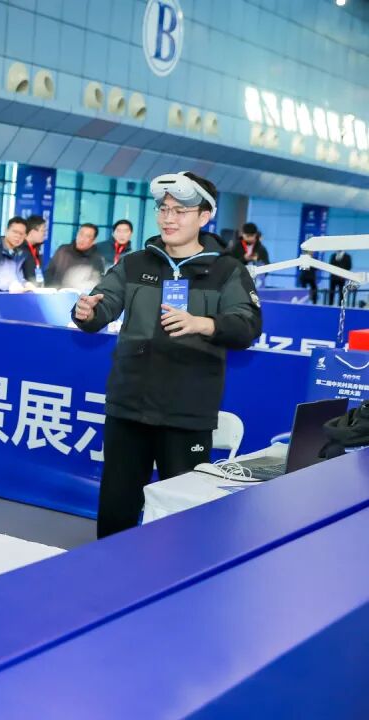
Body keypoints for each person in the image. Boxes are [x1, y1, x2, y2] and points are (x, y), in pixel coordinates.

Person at [72, 171, 262, 539]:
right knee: (116, 509)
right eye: (163, 209)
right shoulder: (135, 263)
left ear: (204, 216)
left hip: (186, 412)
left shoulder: (227, 270)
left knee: (183, 518)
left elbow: (248, 324)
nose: (168, 218)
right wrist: (87, 312)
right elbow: (102, 304)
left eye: (180, 211)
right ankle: (108, 572)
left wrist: (202, 323)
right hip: (129, 408)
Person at [0, 217, 36, 291]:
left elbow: (16, 278)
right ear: (6, 231)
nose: (18, 236)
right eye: (15, 232)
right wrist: (10, 285)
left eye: (21, 234)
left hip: (11, 296)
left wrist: (25, 284)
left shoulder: (19, 253)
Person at [44, 223, 105, 290]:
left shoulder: (97, 259)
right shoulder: (63, 250)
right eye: (81, 234)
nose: (82, 239)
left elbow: (96, 284)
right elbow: (49, 272)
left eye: (87, 236)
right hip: (55, 293)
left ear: (94, 241)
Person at [23, 215, 47, 286]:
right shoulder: (20, 250)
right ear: (32, 232)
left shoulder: (37, 249)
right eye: (42, 231)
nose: (44, 234)